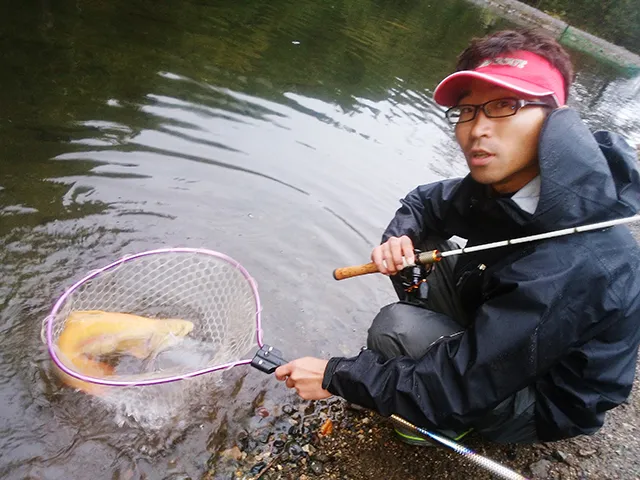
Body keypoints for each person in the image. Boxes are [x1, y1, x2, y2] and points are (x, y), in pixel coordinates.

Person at [275, 28, 640, 445]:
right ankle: (440, 354)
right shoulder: (504, 183)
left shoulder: (582, 261)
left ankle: (448, 423)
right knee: (421, 252)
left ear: (557, 120)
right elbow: (426, 202)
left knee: (395, 327)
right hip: (508, 330)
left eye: (504, 105)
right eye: (467, 111)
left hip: (542, 399)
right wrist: (401, 237)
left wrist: (335, 375)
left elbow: (457, 382)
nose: (477, 130)